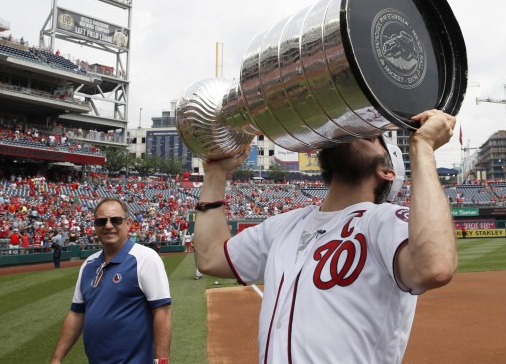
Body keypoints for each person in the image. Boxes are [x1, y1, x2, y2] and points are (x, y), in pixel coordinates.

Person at [194, 109, 458, 363]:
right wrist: (216, 174)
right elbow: (211, 257)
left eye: (370, 136)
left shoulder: (384, 220)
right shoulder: (284, 225)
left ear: (387, 172)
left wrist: (422, 147)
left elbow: (434, 267)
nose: (355, 132)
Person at [51, 197, 171, 364]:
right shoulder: (89, 264)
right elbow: (77, 313)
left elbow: (162, 312)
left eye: (115, 220)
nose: (108, 226)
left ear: (128, 224)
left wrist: (162, 362)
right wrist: (56, 359)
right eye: (101, 221)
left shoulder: (145, 258)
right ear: (95, 226)